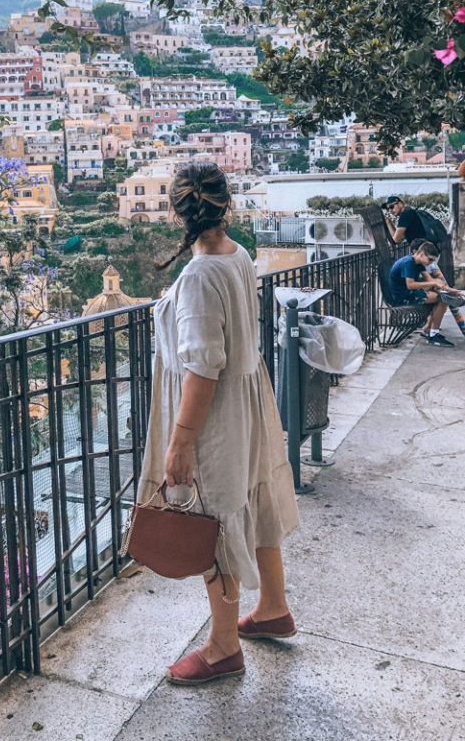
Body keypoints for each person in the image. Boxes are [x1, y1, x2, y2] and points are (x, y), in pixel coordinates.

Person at [138, 161, 299, 686]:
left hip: (214, 415)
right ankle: (272, 606)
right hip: (247, 399)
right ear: (226, 205)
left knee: (214, 518)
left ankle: (224, 645)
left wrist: (182, 441)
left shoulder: (201, 275)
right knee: (251, 499)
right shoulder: (239, 254)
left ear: (174, 210)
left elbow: (202, 364)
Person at [388, 239, 454, 347]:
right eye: (430, 259)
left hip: (410, 293)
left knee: (441, 294)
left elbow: (428, 279)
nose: (431, 263)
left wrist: (439, 284)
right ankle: (433, 334)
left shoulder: (418, 262)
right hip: (403, 297)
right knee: (442, 299)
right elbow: (410, 285)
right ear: (422, 254)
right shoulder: (408, 263)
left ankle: (428, 329)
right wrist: (433, 283)